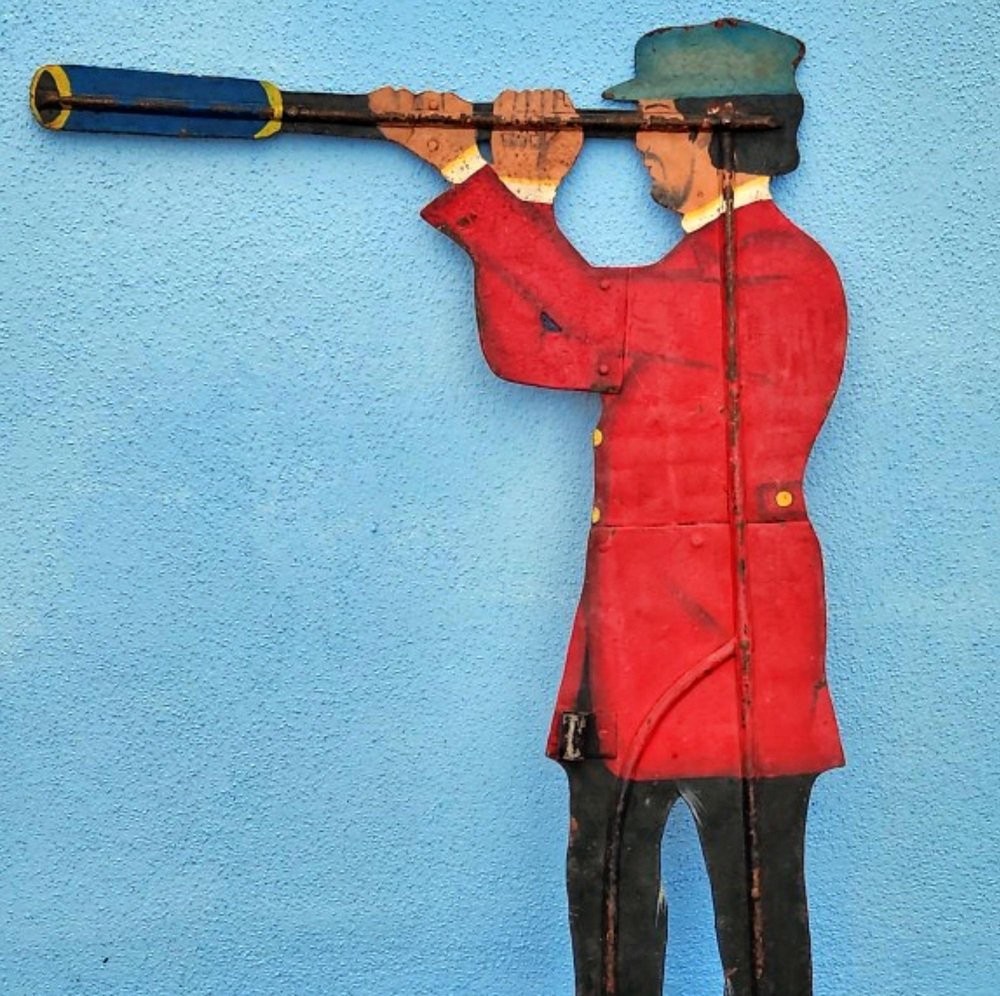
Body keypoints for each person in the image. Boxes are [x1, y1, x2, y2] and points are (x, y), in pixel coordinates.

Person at [370, 19, 847, 996]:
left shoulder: (780, 269)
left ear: (722, 130)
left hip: (736, 641)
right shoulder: (682, 277)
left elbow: (585, 310)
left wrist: (472, 173)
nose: (638, 141)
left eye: (655, 121)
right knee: (605, 884)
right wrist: (528, 197)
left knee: (755, 914)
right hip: (632, 639)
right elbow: (533, 347)